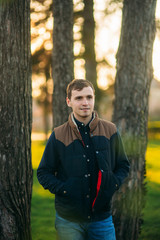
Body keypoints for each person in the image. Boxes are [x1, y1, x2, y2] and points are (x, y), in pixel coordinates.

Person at [37, 79, 130, 240]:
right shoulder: (58, 135)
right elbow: (44, 172)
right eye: (79, 98)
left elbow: (123, 165)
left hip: (102, 218)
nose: (85, 102)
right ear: (69, 101)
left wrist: (113, 183)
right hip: (68, 220)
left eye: (89, 97)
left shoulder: (110, 130)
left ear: (94, 99)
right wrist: (64, 189)